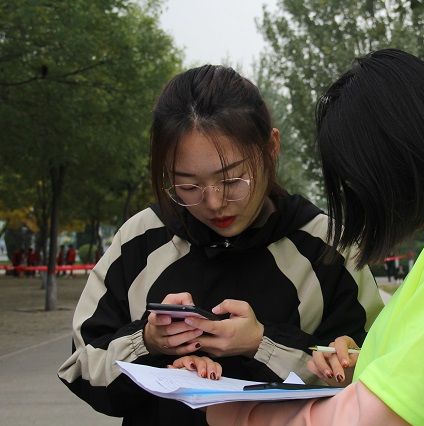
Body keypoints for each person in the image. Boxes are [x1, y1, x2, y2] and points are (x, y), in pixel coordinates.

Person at [203, 49, 424, 425]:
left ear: (399, 160)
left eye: (357, 182)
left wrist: (242, 415)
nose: (362, 200)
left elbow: (375, 418)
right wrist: (364, 365)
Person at [57, 64, 384, 425]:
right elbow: (79, 367)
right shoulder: (140, 239)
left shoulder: (328, 248)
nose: (213, 203)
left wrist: (262, 343)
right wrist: (148, 343)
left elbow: (374, 379)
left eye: (231, 181)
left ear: (271, 148)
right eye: (188, 185)